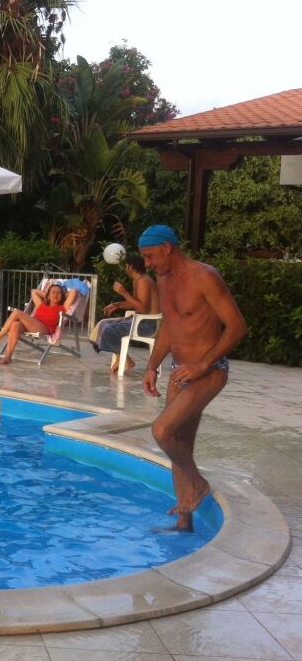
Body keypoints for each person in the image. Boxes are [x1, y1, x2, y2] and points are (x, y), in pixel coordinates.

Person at [138, 225, 247, 531]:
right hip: (180, 370)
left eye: (149, 256)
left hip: (210, 370)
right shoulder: (164, 279)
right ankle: (183, 521)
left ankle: (198, 484)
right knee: (178, 442)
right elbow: (169, 326)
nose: (147, 263)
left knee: (162, 431)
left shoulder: (204, 276)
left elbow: (237, 326)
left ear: (167, 248)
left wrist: (201, 365)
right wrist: (152, 366)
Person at [89, 254, 160, 374]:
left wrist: (124, 292)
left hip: (147, 325)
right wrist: (117, 305)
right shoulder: (137, 279)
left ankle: (125, 359)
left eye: (126, 266)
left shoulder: (143, 281)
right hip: (139, 320)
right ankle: (122, 358)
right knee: (103, 323)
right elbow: (135, 303)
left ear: (131, 267)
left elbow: (142, 308)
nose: (125, 268)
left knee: (109, 329)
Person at [0, 282, 68, 364]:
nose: (56, 295)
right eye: (53, 292)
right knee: (15, 325)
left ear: (62, 296)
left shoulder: (63, 307)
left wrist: (57, 295)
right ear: (48, 296)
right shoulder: (41, 305)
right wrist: (47, 295)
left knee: (16, 312)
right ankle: (8, 357)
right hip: (33, 325)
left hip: (45, 329)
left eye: (59, 293)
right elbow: (34, 291)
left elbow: (74, 292)